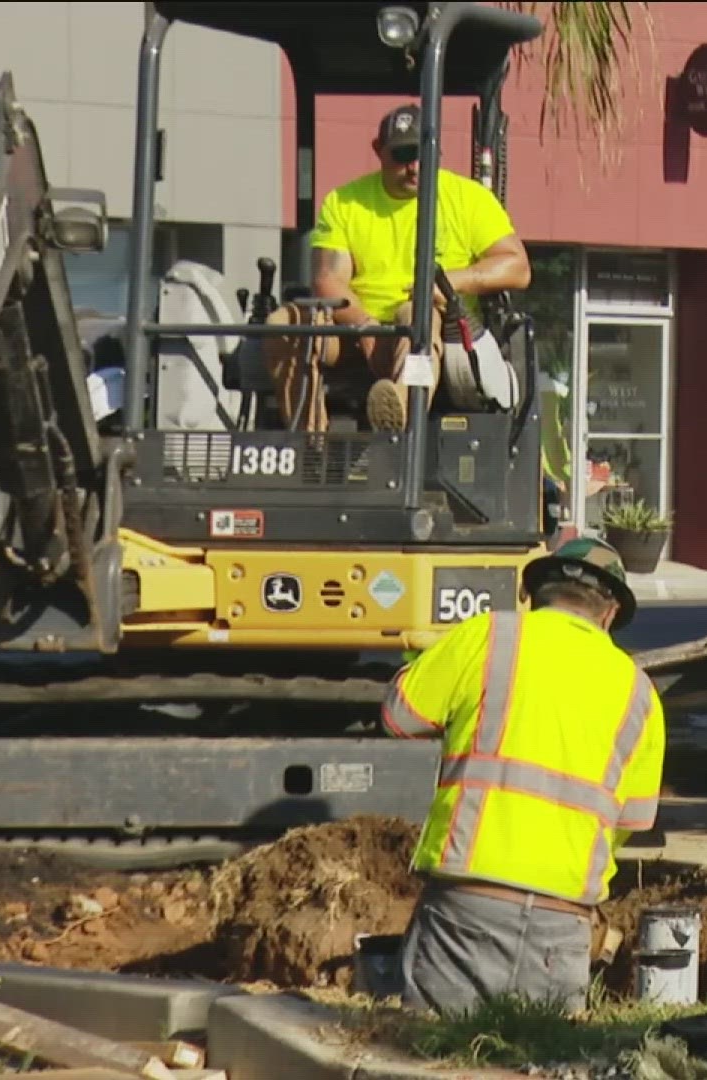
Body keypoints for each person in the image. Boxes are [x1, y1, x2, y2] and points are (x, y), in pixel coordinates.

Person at [380, 537, 664, 1016]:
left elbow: (399, 716)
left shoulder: (488, 636)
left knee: (434, 1055)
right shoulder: (639, 692)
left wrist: (429, 659)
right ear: (610, 612)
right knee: (543, 1062)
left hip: (469, 901)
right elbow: (634, 819)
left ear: (533, 594)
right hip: (565, 923)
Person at [264, 102, 531, 432]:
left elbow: (517, 267)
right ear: (379, 151)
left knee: (416, 312)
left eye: (422, 154)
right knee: (283, 323)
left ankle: (397, 415)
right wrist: (365, 327)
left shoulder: (468, 199)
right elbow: (328, 280)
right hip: (354, 327)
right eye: (402, 155)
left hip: (430, 327)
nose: (414, 166)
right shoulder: (345, 202)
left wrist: (450, 282)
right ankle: (311, 448)